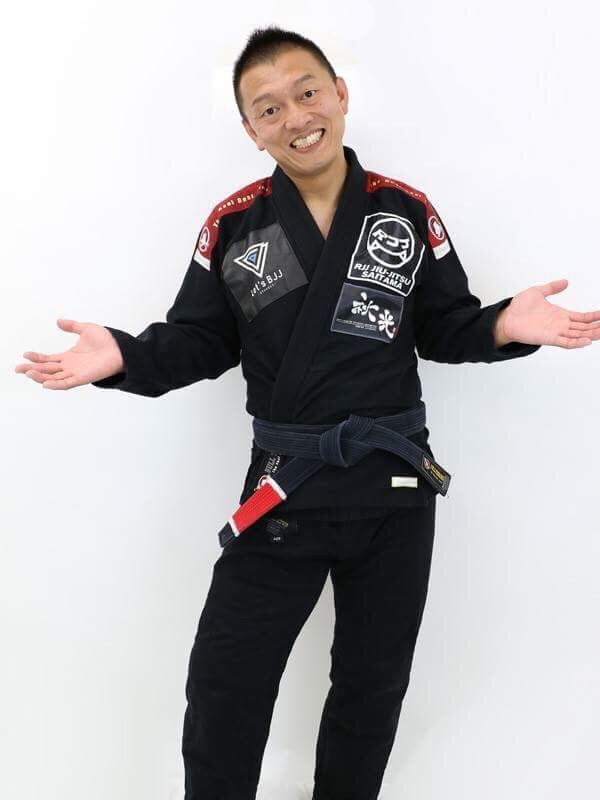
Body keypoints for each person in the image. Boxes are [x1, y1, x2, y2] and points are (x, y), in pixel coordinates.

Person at [15, 25, 599, 800]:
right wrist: (124, 356)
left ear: (339, 95)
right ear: (251, 130)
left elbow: (445, 328)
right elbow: (199, 341)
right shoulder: (234, 226)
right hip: (285, 485)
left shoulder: (404, 211)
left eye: (307, 92)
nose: (295, 116)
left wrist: (502, 325)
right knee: (225, 686)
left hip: (394, 486)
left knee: (371, 686)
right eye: (269, 108)